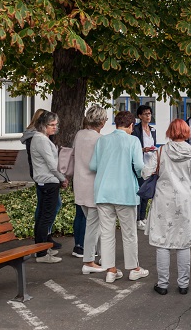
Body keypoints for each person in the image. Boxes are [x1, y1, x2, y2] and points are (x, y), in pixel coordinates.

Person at [143, 119, 191, 295]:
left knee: (162, 242)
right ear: (187, 132)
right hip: (184, 202)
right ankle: (183, 284)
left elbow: (146, 172)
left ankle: (163, 284)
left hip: (163, 201)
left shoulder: (161, 151)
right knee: (183, 243)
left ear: (170, 131)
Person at [90, 111, 148, 283]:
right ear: (131, 125)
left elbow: (93, 165)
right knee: (129, 233)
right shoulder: (133, 140)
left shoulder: (102, 140)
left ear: (116, 124)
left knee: (107, 233)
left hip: (103, 191)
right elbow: (138, 165)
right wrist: (139, 173)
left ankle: (111, 270)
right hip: (125, 192)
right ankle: (134, 268)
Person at [73, 105, 109, 274]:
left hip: (79, 185)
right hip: (94, 187)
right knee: (94, 226)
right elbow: (102, 165)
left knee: (96, 224)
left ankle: (103, 257)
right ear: (101, 122)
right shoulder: (100, 140)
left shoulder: (79, 135)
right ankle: (88, 261)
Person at [30, 111, 68, 263]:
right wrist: (62, 179)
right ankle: (41, 254)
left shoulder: (41, 138)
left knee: (43, 217)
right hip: (48, 181)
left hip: (46, 181)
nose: (55, 128)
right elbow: (52, 165)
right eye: (51, 125)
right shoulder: (41, 140)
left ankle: (41, 249)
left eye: (55, 125)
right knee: (45, 217)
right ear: (43, 126)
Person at [131, 105, 157, 231]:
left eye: (149, 113)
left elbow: (153, 144)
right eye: (145, 114)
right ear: (140, 116)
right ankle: (138, 219)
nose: (148, 116)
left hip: (150, 164)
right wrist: (143, 149)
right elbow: (133, 148)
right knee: (140, 191)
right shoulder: (136, 130)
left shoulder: (152, 130)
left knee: (147, 191)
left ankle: (143, 217)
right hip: (140, 163)